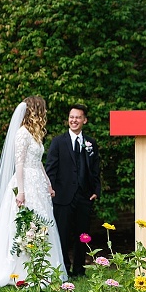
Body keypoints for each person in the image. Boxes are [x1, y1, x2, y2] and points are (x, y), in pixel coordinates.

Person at [0, 96, 68, 286]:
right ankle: (21, 269)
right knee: (26, 224)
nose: (44, 113)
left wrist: (48, 183)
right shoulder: (22, 133)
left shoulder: (35, 134)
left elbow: (38, 162)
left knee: (43, 222)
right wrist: (21, 192)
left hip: (37, 182)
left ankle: (43, 268)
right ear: (35, 111)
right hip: (25, 183)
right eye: (42, 109)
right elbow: (20, 163)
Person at [46, 104, 101, 277]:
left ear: (84, 120)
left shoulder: (91, 143)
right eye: (71, 117)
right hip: (62, 196)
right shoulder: (58, 142)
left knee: (82, 235)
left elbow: (95, 169)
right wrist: (50, 189)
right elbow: (51, 169)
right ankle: (64, 269)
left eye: (78, 117)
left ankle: (79, 269)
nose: (74, 120)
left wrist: (96, 190)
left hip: (85, 196)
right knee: (62, 235)